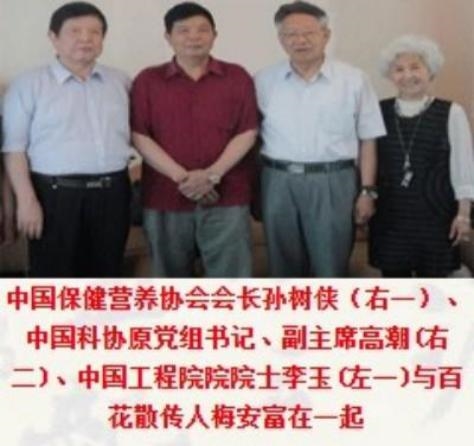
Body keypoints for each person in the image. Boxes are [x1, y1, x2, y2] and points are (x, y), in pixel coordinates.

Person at [255, 1, 385, 277]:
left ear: (326, 35)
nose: (300, 40)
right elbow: (249, 136)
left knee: (331, 266)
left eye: (308, 32)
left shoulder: (354, 80)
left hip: (334, 180)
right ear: (280, 39)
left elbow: (369, 140)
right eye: (291, 34)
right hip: (278, 181)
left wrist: (367, 191)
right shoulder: (263, 80)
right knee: (282, 267)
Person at [2, 2, 132, 277]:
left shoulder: (120, 81)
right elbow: (14, 149)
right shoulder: (28, 85)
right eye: (75, 31)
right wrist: (26, 201)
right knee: (53, 278)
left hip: (113, 194)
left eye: (94, 32)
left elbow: (137, 135)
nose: (86, 38)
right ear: (54, 37)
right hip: (54, 196)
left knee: (107, 275)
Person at [131, 2, 258, 277]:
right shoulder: (148, 80)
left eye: (202, 30)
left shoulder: (237, 77)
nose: (194, 37)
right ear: (168, 37)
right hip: (165, 196)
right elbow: (139, 134)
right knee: (170, 281)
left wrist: (212, 175)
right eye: (184, 30)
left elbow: (247, 131)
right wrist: (182, 178)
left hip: (227, 196)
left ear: (215, 35)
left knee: (231, 281)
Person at [369, 35, 474, 277]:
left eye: (415, 67)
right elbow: (369, 162)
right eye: (399, 69)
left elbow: (463, 166)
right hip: (390, 215)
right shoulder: (378, 111)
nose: (407, 75)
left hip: (436, 214)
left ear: (430, 71)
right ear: (390, 75)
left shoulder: (451, 112)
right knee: (396, 287)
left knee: (433, 287)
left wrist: (463, 214)